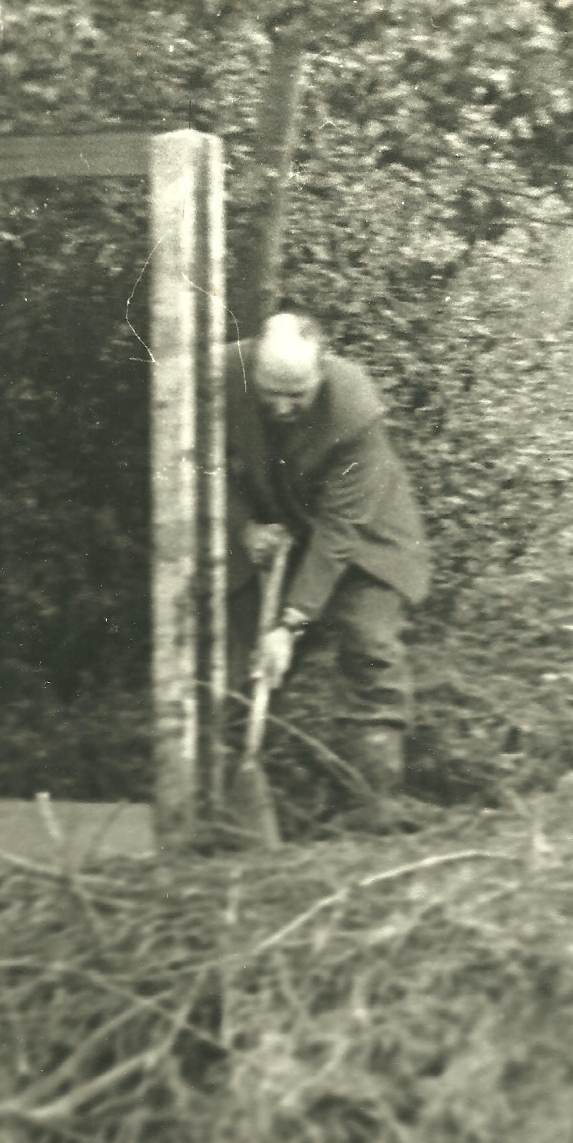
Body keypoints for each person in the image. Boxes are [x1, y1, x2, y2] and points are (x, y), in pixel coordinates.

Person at [222, 311, 431, 825]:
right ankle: (236, 804)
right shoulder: (220, 375)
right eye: (270, 393)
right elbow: (200, 464)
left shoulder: (355, 413)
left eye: (296, 395)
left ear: (321, 370)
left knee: (369, 641)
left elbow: (340, 532)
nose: (281, 407)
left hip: (367, 539)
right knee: (244, 656)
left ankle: (375, 801)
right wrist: (244, 527)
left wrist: (291, 624)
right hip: (280, 534)